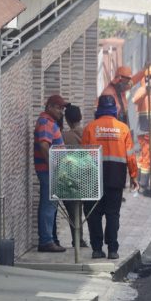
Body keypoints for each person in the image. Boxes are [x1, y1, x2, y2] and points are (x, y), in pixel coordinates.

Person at [82, 95, 138, 259]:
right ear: (115, 110)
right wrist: (134, 176)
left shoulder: (90, 128)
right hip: (116, 177)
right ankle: (113, 250)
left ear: (98, 109)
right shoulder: (123, 129)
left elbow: (83, 156)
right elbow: (130, 157)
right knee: (113, 214)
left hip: (93, 177)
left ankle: (97, 249)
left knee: (94, 214)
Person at [34, 95, 67, 252]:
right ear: (50, 107)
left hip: (50, 171)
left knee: (50, 205)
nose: (62, 111)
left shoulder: (49, 122)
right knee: (48, 206)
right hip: (48, 172)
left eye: (62, 108)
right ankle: (46, 241)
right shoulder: (46, 122)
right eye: (59, 108)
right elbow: (43, 146)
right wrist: (53, 166)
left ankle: (49, 239)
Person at [61, 104, 88, 248]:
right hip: (88, 178)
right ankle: (87, 241)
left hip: (71, 178)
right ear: (81, 117)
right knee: (87, 211)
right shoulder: (87, 132)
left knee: (73, 210)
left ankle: (77, 239)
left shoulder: (64, 136)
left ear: (66, 119)